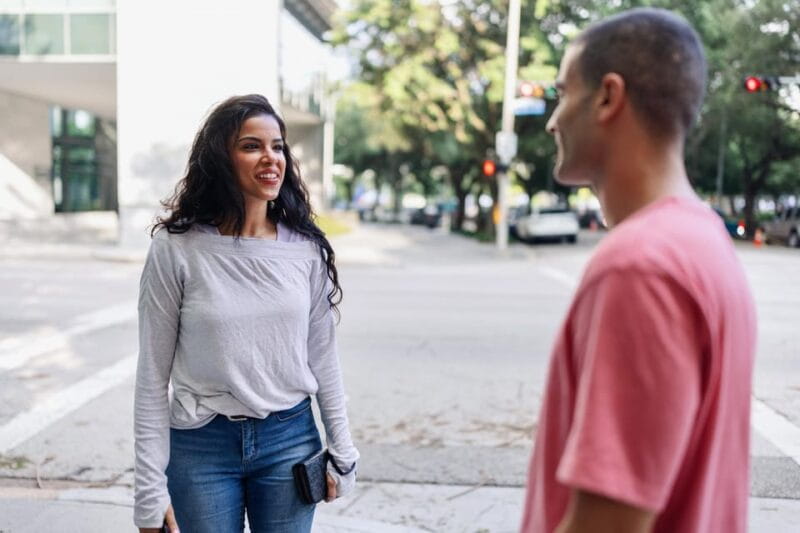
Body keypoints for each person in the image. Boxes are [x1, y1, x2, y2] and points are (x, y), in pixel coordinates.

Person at [520, 8, 756, 533]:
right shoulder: (704, 241)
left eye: (563, 94)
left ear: (608, 96)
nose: (554, 120)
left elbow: (609, 524)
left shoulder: (639, 266)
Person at [133, 94, 359, 533]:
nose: (270, 158)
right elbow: (151, 377)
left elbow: (323, 357)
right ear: (221, 158)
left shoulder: (305, 251)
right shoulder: (177, 250)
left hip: (289, 440)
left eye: (277, 147)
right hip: (201, 445)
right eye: (251, 146)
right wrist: (148, 490)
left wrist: (343, 449)